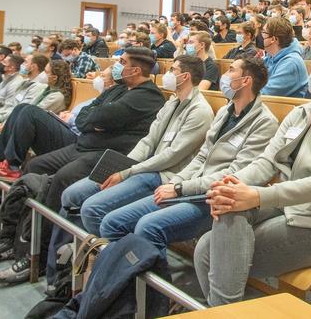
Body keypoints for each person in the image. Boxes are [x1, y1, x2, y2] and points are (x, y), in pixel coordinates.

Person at [194, 41, 311, 306]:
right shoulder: (301, 112)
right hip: (285, 209)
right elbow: (266, 162)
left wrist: (257, 195)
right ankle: (221, 311)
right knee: (209, 241)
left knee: (214, 254)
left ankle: (218, 310)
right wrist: (230, 186)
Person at [0, 48, 166, 285]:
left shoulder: (148, 96)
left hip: (107, 155)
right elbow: (85, 117)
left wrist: (96, 121)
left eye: (122, 62)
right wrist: (95, 121)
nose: (117, 65)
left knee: (63, 179)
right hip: (82, 145)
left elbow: (98, 118)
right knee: (35, 165)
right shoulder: (117, 88)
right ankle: (18, 239)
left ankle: (40, 256)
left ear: (135, 69)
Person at [83, 57, 278, 258]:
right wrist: (177, 183)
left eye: (230, 70)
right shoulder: (224, 112)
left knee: (148, 227)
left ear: (246, 81)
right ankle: (123, 282)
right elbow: (202, 157)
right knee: (112, 222)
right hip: (190, 187)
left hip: (214, 199)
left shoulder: (264, 122)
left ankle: (150, 288)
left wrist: (179, 188)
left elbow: (233, 174)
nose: (225, 76)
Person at [60, 55, 215, 245]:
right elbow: (148, 141)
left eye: (172, 70)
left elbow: (171, 155)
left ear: (185, 76)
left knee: (92, 209)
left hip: (162, 175)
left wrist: (129, 171)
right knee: (72, 194)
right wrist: (123, 165)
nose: (167, 74)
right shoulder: (171, 102)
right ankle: (73, 255)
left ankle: (111, 257)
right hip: (142, 167)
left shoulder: (200, 111)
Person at [0, 59, 73, 164]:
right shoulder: (47, 90)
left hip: (40, 133)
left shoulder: (57, 96)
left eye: (46, 72)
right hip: (29, 126)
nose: (43, 74)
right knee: (21, 107)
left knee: (25, 111)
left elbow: (33, 113)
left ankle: (12, 164)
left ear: (54, 77)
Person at [260, 17, 308, 97]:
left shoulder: (291, 63)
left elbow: (265, 93)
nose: (260, 36)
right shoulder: (271, 56)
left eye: (263, 33)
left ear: (273, 39)